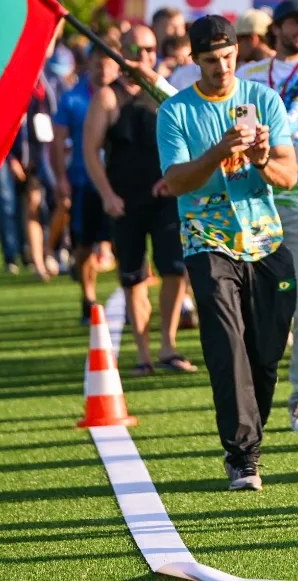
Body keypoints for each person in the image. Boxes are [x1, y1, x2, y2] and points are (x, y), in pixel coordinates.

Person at [157, 15, 298, 491]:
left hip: (266, 240)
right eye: (210, 60)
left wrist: (260, 158)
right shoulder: (176, 111)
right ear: (194, 61)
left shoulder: (263, 99)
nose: (221, 68)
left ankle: (249, 432)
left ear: (238, 52)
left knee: (264, 353)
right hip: (207, 241)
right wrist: (219, 150)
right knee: (226, 346)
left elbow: (288, 175)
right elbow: (176, 182)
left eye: (227, 57)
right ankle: (243, 455)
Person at [236, 0, 298, 433]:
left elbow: (296, 117)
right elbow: (237, 120)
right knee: (257, 305)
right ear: (277, 28)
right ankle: (255, 394)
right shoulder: (249, 75)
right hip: (254, 197)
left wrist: (260, 132)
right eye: (295, 21)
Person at [84, 26, 196, 375]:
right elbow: (90, 151)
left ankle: (169, 346)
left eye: (151, 48)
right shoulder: (108, 97)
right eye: (138, 48)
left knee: (175, 270)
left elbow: (189, 133)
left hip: (166, 196)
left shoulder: (163, 93)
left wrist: (176, 176)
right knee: (133, 278)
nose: (145, 54)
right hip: (125, 200)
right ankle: (143, 354)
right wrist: (107, 195)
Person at [54, 43, 120, 322]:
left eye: (108, 62)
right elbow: (57, 141)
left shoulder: (125, 96)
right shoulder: (72, 98)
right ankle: (88, 297)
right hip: (84, 182)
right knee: (83, 244)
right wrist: (61, 179)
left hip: (119, 182)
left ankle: (128, 295)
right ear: (89, 63)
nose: (102, 67)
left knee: (123, 243)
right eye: (97, 61)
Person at [12, 77, 58, 280]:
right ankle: (38, 262)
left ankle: (49, 250)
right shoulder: (15, 84)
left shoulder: (48, 86)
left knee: (62, 203)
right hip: (29, 159)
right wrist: (12, 158)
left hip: (49, 155)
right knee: (33, 206)